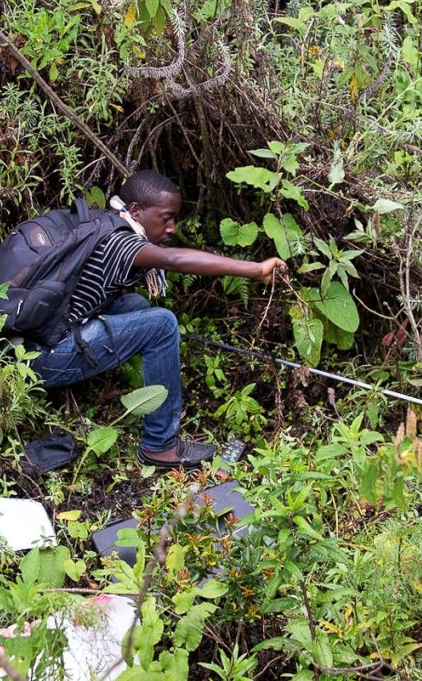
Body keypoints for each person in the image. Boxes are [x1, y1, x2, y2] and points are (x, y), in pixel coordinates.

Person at [28, 170, 286, 469]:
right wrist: (255, 269)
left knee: (135, 305)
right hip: (45, 358)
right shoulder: (120, 243)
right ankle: (160, 446)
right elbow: (173, 260)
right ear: (135, 210)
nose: (172, 228)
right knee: (162, 325)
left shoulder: (101, 223)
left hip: (37, 340)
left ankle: (120, 395)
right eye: (166, 218)